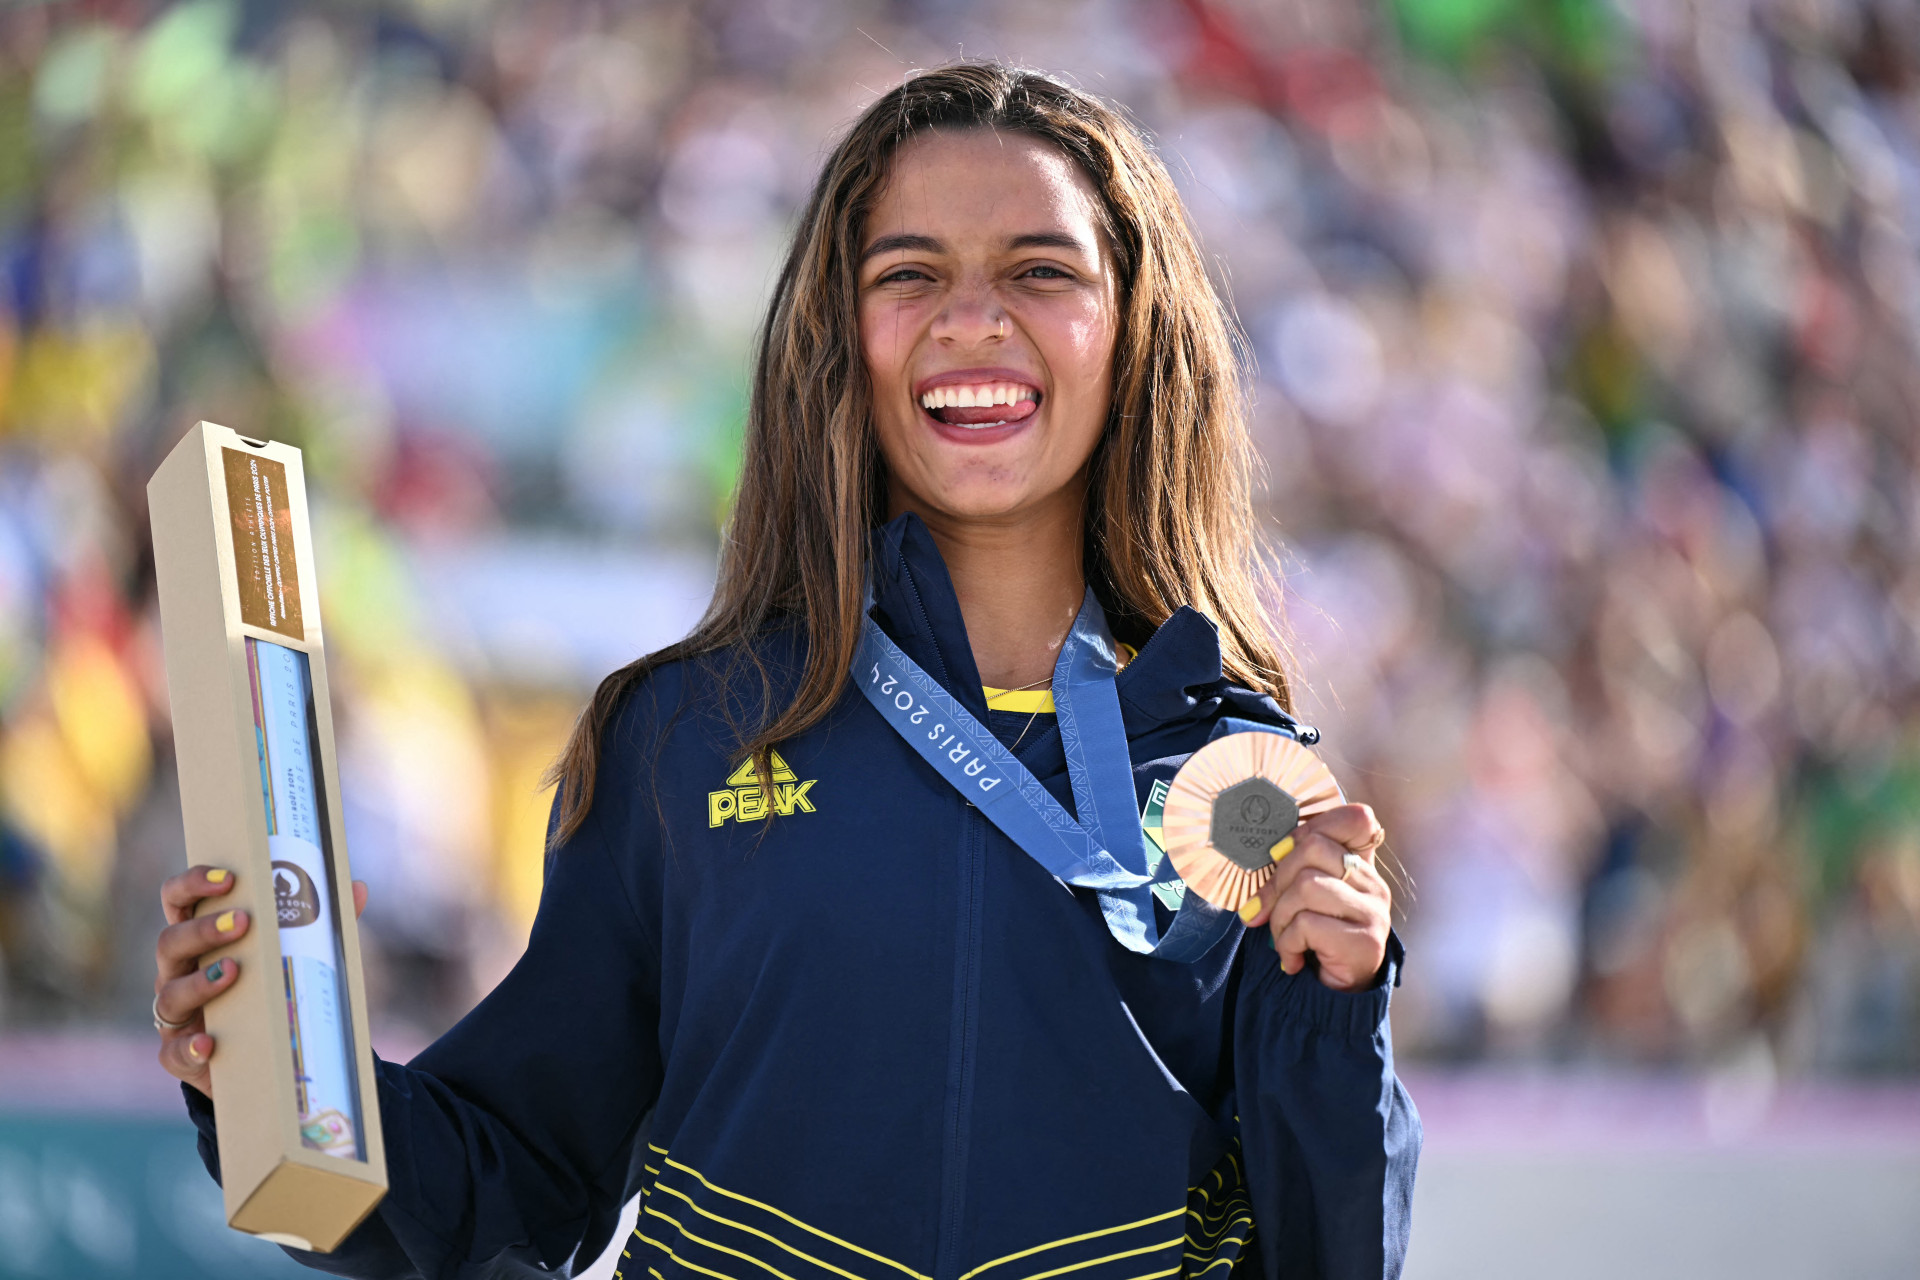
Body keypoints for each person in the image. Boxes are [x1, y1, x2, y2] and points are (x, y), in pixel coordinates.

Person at [150, 63, 1419, 1280]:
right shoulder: (688, 734)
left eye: (1041, 270)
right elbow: (513, 1180)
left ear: (1133, 328)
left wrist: (1334, 1014)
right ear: (838, 334)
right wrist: (269, 1070)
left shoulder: (1247, 779)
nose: (974, 316)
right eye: (909, 273)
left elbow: (1333, 1252)